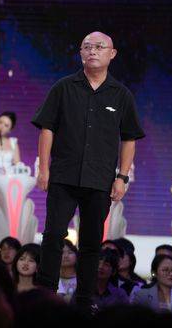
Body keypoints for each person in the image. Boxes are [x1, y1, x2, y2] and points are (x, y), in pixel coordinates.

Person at [32, 31, 145, 310]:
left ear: (112, 53)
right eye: (87, 47)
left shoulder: (121, 94)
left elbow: (129, 138)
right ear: (81, 53)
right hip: (63, 176)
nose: (92, 51)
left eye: (99, 47)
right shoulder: (63, 87)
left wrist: (122, 177)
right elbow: (47, 129)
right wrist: (44, 169)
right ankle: (45, 295)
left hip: (100, 180)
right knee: (53, 235)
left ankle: (84, 301)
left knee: (92, 243)